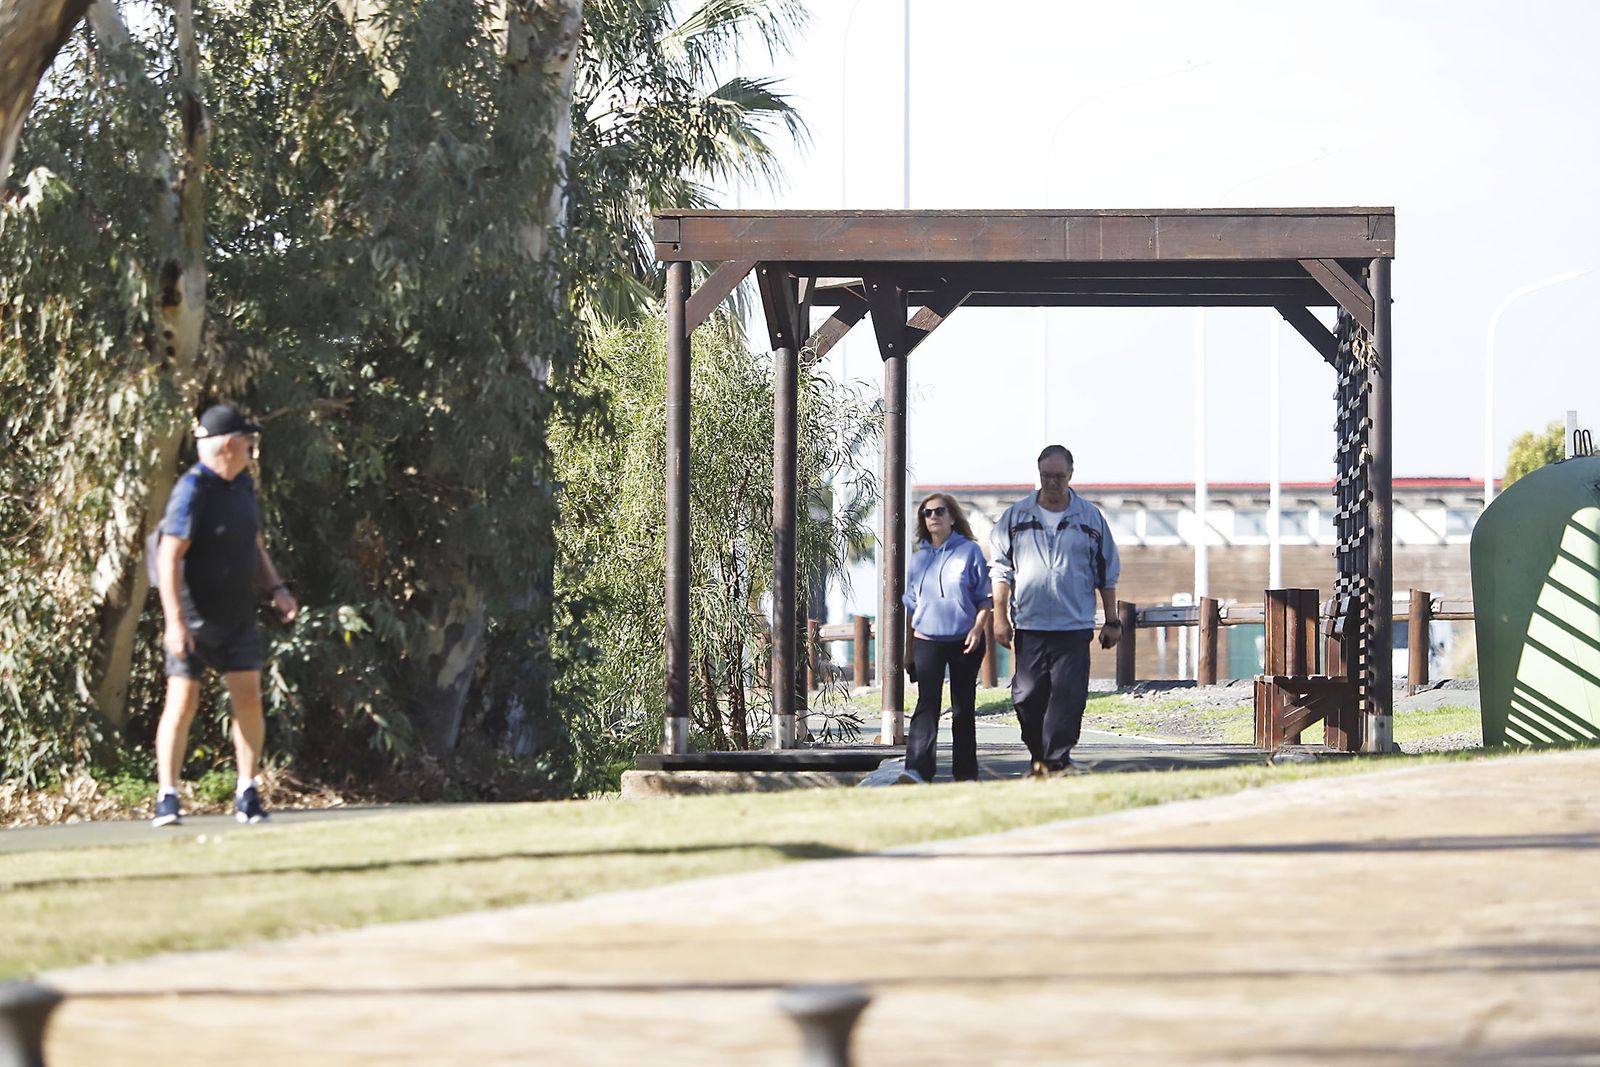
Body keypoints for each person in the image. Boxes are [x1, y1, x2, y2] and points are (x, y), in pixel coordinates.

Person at [150, 404, 298, 827]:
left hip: (237, 617)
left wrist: (277, 589)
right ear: (231, 444)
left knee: (249, 699)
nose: (252, 450)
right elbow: (168, 556)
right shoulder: (192, 490)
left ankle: (247, 793)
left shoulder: (243, 487)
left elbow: (255, 547)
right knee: (182, 702)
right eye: (249, 443)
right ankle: (167, 797)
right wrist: (175, 622)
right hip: (193, 618)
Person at [990, 445, 1121, 778]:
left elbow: (1106, 572)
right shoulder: (1016, 517)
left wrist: (1112, 620)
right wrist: (999, 618)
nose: (1052, 483)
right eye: (1046, 476)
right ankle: (1042, 755)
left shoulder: (1090, 518)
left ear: (1071, 475)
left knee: (1068, 697)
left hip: (1074, 625)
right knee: (1026, 695)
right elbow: (1001, 571)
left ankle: (1056, 761)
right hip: (1030, 624)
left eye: (1059, 477)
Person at [900, 492, 993, 784]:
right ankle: (917, 770)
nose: (933, 517)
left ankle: (965, 774)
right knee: (927, 705)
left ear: (952, 517)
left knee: (963, 707)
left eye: (939, 511)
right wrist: (908, 649)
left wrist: (977, 629)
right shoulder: (918, 559)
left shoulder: (970, 551)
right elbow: (911, 607)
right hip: (926, 640)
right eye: (927, 513)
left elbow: (985, 599)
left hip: (965, 639)